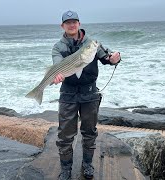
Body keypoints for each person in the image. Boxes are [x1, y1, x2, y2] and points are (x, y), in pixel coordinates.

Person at [52, 10, 121, 180]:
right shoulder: (58, 47)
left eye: (74, 21)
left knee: (89, 131)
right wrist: (58, 74)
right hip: (68, 94)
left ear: (79, 24)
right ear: (63, 26)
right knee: (65, 134)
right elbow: (57, 64)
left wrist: (114, 59)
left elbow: (107, 56)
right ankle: (66, 168)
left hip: (90, 94)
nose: (72, 24)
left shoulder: (92, 44)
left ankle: (87, 164)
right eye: (68, 22)